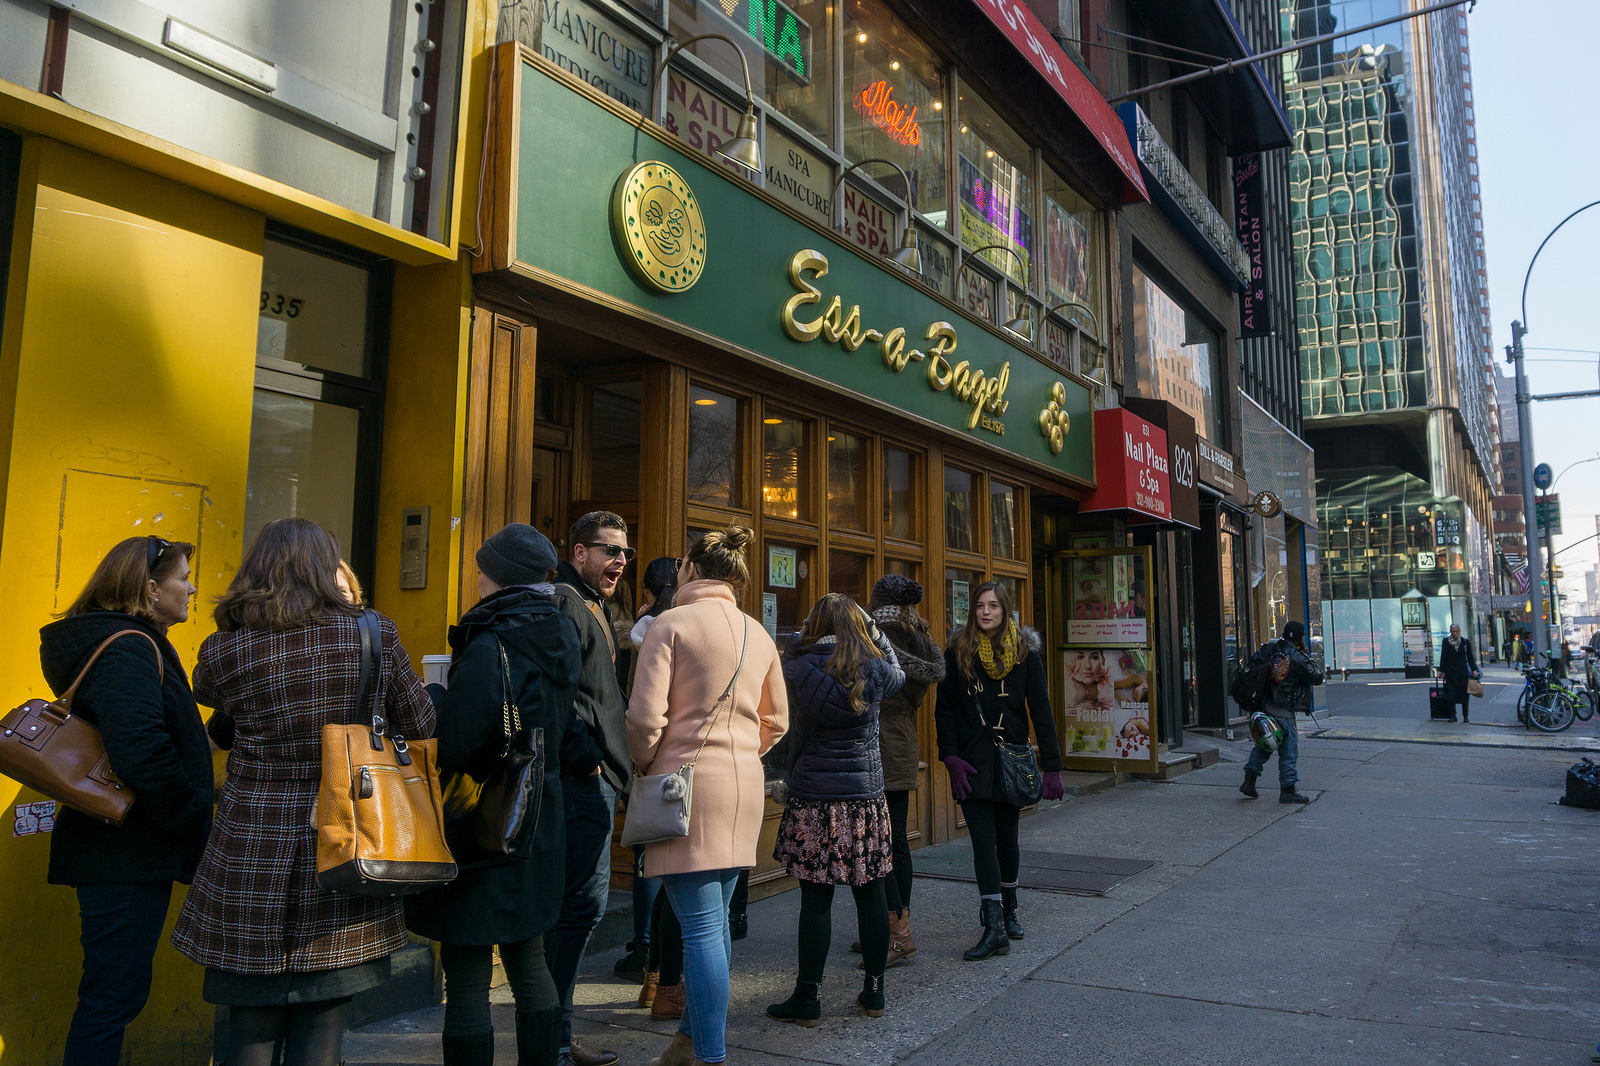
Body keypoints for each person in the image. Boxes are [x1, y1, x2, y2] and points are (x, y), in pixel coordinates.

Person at [170, 519, 434, 1066]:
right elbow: (421, 721)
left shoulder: (224, 650)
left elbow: (213, 701)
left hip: (250, 843)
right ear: (324, 567)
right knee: (323, 1022)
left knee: (249, 1021)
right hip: (345, 835)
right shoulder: (372, 634)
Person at [404, 523, 581, 1066]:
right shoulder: (562, 631)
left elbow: (458, 744)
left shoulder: (490, 641)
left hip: (484, 820)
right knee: (530, 960)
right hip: (539, 818)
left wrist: (436, 695)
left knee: (466, 972)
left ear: (495, 575)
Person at [41, 535, 212, 1066]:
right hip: (126, 851)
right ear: (150, 588)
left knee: (114, 991)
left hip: (120, 848)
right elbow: (140, 748)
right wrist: (190, 814)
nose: (192, 589)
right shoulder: (129, 648)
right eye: (183, 579)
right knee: (112, 996)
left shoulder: (124, 643)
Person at [628, 526, 788, 1066]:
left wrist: (648, 763)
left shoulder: (670, 624)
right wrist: (743, 751)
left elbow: (644, 720)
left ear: (690, 569)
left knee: (699, 929)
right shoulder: (757, 632)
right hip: (744, 787)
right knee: (713, 926)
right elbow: (777, 720)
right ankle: (690, 1042)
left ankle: (711, 1056)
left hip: (686, 786)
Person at [766, 593, 904, 1026]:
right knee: (871, 894)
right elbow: (899, 669)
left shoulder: (798, 667)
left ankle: (808, 998)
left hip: (815, 798)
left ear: (815, 626)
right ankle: (875, 993)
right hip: (864, 798)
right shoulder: (876, 668)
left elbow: (787, 657)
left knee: (815, 900)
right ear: (859, 627)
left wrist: (801, 632)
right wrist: (875, 630)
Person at [934, 582, 1065, 962]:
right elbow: (945, 710)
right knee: (982, 841)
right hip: (972, 764)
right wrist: (950, 757)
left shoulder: (1025, 653)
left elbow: (1041, 711)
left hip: (1011, 763)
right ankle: (992, 927)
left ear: (1005, 610)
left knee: (1007, 840)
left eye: (993, 605)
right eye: (980, 606)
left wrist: (1052, 767)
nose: (986, 612)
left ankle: (1009, 910)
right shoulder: (957, 651)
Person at [548, 511, 635, 1066]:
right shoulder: (566, 602)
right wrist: (587, 761)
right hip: (583, 783)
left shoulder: (595, 604)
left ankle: (554, 1037)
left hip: (598, 779)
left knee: (581, 908)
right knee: (580, 908)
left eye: (625, 553)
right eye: (609, 551)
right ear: (579, 553)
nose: (620, 561)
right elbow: (557, 693)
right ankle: (553, 1040)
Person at [860, 574, 945, 967]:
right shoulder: (921, 638)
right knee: (897, 840)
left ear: (877, 601)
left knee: (879, 839)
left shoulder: (876, 637)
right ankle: (892, 926)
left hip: (878, 741)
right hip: (904, 742)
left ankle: (897, 935)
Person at [618, 557, 680, 993]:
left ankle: (646, 953)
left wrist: (640, 759)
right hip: (690, 757)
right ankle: (661, 963)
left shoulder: (644, 633)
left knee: (648, 857)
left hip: (649, 755)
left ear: (647, 590)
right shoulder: (688, 626)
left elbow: (635, 706)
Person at [1238, 620, 1325, 805]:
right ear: (1300, 638)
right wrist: (1305, 655)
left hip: (1265, 707)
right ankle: (1288, 790)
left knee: (1265, 744)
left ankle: (1249, 779)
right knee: (1288, 751)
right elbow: (1317, 677)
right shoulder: (1298, 657)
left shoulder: (1269, 650)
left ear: (1284, 634)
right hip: (1284, 710)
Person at [1436, 623, 1479, 724]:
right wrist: (1441, 671)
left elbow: (1470, 657)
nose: (1454, 633)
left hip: (1462, 673)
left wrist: (1474, 669)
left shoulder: (1465, 642)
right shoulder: (1446, 642)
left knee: (1465, 695)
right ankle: (1453, 715)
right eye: (1452, 631)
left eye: (1456, 631)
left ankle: (1465, 716)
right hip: (1450, 673)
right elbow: (1443, 656)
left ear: (1459, 631)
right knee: (1450, 695)